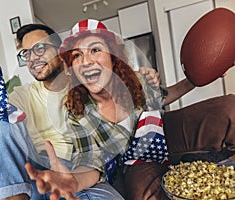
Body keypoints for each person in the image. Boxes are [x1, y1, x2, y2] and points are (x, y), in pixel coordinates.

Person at [56, 19, 235, 200]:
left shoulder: (136, 81)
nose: (85, 61)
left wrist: (197, 78)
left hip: (164, 134)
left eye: (95, 49)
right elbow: (90, 160)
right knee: (148, 195)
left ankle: (203, 157)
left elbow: (164, 96)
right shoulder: (76, 113)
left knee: (230, 109)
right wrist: (74, 180)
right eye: (76, 55)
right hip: (134, 164)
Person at [0, 24, 127, 200]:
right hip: (30, 173)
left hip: (76, 171)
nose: (32, 58)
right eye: (27, 53)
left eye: (39, 48)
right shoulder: (23, 95)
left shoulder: (86, 85)